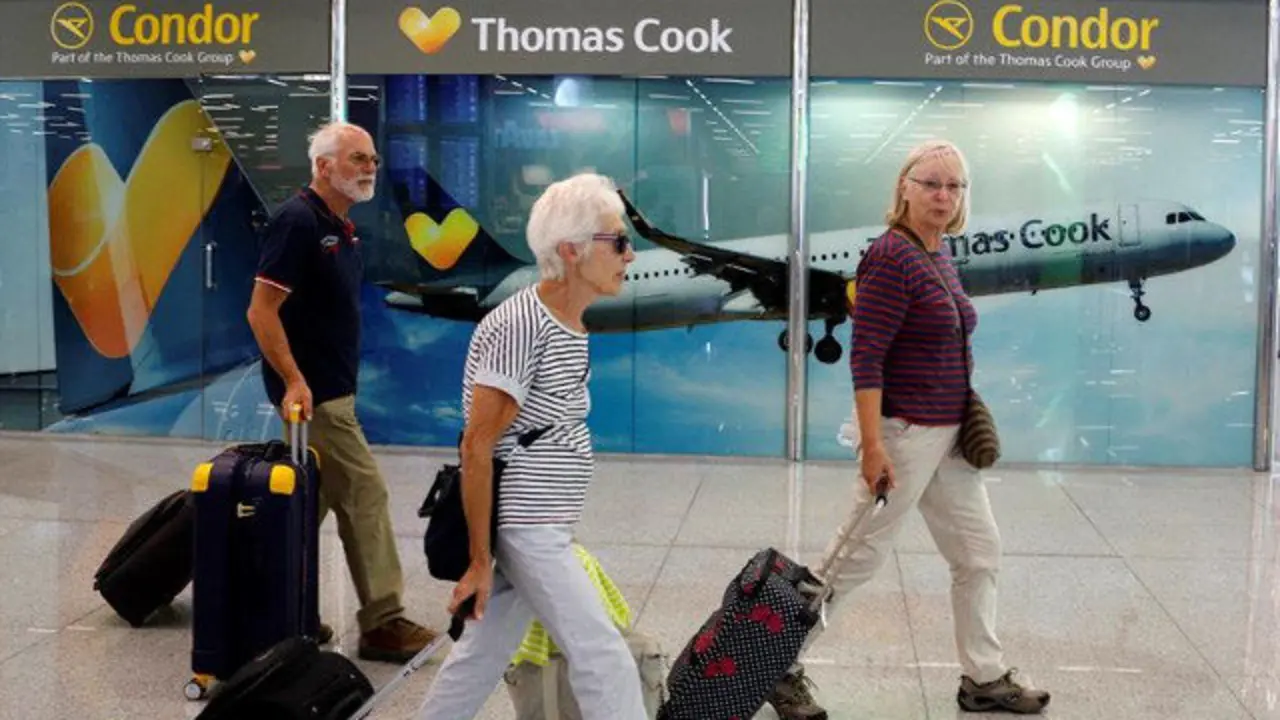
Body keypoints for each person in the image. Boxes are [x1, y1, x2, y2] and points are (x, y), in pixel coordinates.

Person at [767, 140, 1051, 719]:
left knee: (978, 554)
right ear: (905, 187)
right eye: (931, 184)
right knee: (854, 559)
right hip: (904, 433)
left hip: (949, 440)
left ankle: (984, 678)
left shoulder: (939, 253)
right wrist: (873, 447)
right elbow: (866, 357)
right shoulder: (890, 256)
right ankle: (778, 666)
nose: (943, 196)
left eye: (954, 186)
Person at [413, 172, 643, 720]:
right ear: (571, 250)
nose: (630, 255)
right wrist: (477, 561)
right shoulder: (520, 324)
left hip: (545, 521)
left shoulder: (568, 322)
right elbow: (478, 444)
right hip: (528, 525)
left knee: (479, 658)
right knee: (602, 654)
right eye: (618, 242)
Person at [246, 121, 439, 663]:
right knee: (366, 492)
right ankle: (383, 622)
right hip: (314, 396)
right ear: (323, 166)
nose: (369, 167)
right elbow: (261, 312)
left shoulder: (340, 226)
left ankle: (277, 609)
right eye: (357, 159)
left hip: (333, 390)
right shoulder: (297, 222)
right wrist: (292, 379)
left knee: (310, 508)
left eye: (373, 159)